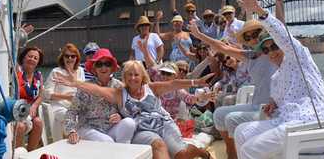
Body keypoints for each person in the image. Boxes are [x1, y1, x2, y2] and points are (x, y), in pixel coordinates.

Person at [189, 0, 288, 159]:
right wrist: (200, 35)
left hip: (272, 109)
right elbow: (223, 47)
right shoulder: (251, 55)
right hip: (257, 105)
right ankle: (231, 154)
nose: (252, 38)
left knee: (233, 119)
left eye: (256, 34)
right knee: (219, 115)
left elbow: (281, 26)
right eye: (248, 36)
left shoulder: (275, 51)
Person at [233, 0, 324, 159]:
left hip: (314, 126)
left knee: (250, 149)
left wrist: (259, 9)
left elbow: (284, 36)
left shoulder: (299, 57)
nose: (271, 52)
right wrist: (272, 105)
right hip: (290, 123)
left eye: (274, 46)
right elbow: (280, 101)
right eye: (265, 49)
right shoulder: (277, 77)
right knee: (241, 132)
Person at [54, 60, 215, 159]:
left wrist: (196, 82)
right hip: (142, 129)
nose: (133, 78)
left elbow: (174, 84)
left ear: (142, 76)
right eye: (129, 75)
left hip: (163, 123)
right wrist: (76, 83)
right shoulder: (119, 93)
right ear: (124, 77)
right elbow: (97, 90)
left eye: (136, 74)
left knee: (181, 154)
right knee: (159, 145)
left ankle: (200, 152)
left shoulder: (151, 88)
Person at [64, 49, 136, 144]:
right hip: (88, 128)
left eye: (107, 64)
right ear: (94, 69)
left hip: (111, 128)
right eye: (99, 64)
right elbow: (72, 111)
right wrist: (71, 131)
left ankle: (124, 152)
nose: (103, 67)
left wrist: (121, 116)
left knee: (129, 123)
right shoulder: (85, 87)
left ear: (112, 67)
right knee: (107, 141)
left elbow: (129, 110)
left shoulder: (119, 86)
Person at [44, 43, 85, 142]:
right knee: (68, 116)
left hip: (77, 106)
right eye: (67, 56)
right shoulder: (56, 72)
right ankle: (71, 141)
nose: (70, 58)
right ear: (62, 57)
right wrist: (66, 97)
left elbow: (83, 90)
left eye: (73, 56)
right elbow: (47, 94)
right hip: (59, 106)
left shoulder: (80, 71)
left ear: (77, 58)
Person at [15, 47, 44, 151]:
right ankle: (18, 155)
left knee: (38, 122)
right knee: (20, 127)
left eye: (35, 58)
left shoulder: (38, 75)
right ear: (23, 58)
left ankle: (31, 153)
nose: (32, 59)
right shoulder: (16, 72)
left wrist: (35, 106)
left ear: (38, 62)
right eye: (30, 56)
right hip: (16, 111)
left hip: (30, 112)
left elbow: (41, 95)